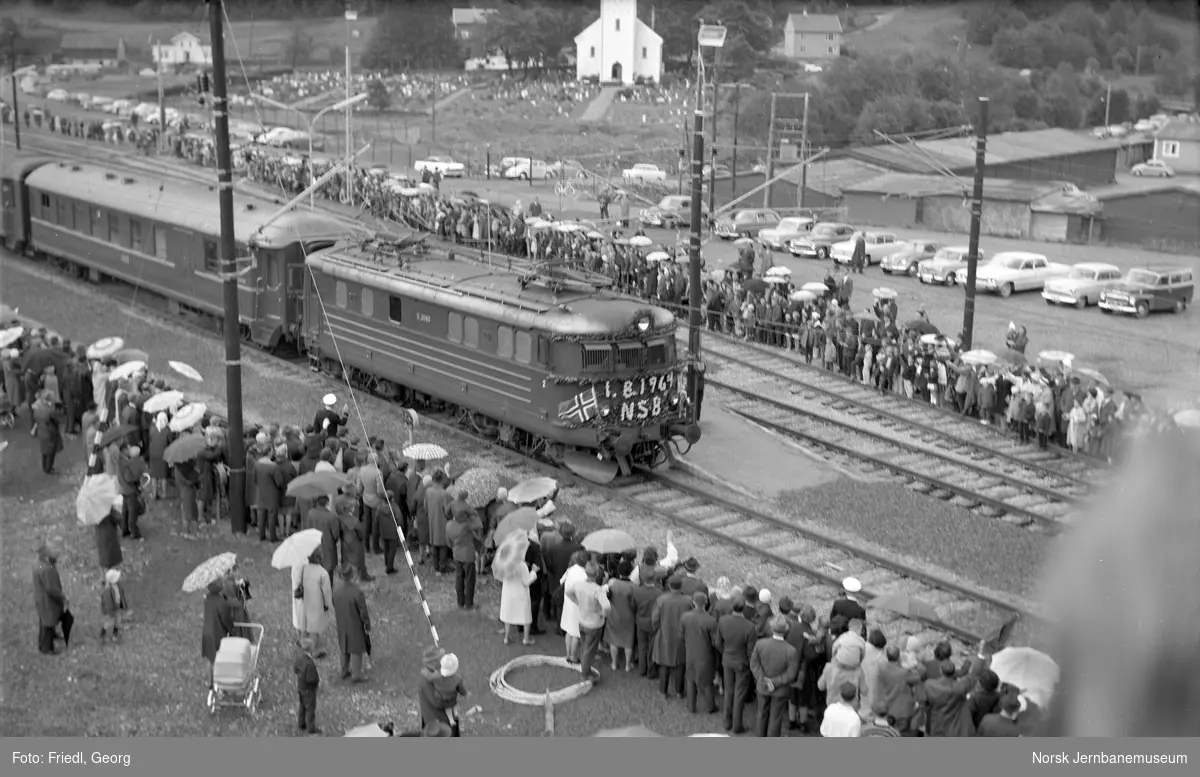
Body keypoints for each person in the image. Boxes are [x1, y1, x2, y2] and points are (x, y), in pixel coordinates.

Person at [750, 615, 800, 737]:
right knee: (775, 718)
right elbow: (791, 674)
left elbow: (754, 664)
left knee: (761, 714)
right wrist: (775, 682)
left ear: (772, 629)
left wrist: (763, 680)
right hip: (780, 690)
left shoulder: (760, 644)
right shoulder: (791, 650)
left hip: (762, 686)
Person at [715, 597, 757, 733]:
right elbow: (751, 651)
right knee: (740, 695)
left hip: (727, 659)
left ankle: (727, 720)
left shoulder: (723, 621)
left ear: (731, 607)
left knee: (729, 691)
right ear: (744, 608)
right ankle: (737, 725)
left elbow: (718, 642)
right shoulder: (749, 626)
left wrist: (725, 652)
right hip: (742, 663)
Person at [567, 561, 611, 684]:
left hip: (582, 621)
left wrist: (578, 602)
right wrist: (603, 614)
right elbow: (607, 606)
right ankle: (585, 673)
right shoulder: (598, 590)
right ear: (597, 574)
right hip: (594, 624)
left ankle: (584, 668)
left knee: (585, 646)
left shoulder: (578, 584)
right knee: (589, 650)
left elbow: (568, 592)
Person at [651, 576, 691, 699]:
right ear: (681, 586)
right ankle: (679, 691)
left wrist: (658, 629)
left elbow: (655, 619)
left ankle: (663, 692)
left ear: (669, 585)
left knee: (664, 664)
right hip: (682, 636)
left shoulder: (662, 599)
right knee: (680, 664)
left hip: (665, 634)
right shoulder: (688, 600)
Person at [680, 591, 718, 715]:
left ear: (693, 602)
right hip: (706, 655)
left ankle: (691, 706)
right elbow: (715, 642)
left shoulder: (685, 617)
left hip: (690, 652)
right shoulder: (711, 620)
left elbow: (680, 635)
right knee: (707, 682)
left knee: (690, 679)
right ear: (706, 603)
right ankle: (710, 706)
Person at [331, 565, 371, 683]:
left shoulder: (336, 591)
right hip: (354, 623)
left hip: (341, 622)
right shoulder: (357, 592)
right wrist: (367, 623)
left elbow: (334, 603)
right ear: (352, 575)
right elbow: (363, 611)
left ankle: (343, 671)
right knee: (356, 649)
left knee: (344, 647)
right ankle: (356, 674)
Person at [445, 489, 483, 609]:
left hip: (456, 554)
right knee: (469, 579)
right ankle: (469, 603)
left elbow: (448, 542)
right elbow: (478, 528)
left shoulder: (449, 525)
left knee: (459, 578)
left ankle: (460, 602)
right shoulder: (467, 526)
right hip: (468, 555)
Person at [292, 549, 332, 658]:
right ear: (320, 558)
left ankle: (303, 643)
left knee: (305, 625)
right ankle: (313, 651)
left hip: (305, 602)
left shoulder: (304, 569)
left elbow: (299, 582)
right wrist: (327, 603)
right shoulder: (323, 573)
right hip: (317, 603)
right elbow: (326, 591)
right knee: (314, 628)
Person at [33, 544, 67, 655]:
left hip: (41, 598)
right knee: (48, 623)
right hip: (48, 601)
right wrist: (63, 597)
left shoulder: (37, 564)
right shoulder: (47, 569)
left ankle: (51, 636)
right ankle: (46, 648)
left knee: (45, 620)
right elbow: (52, 589)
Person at [603, 559, 636, 672]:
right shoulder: (633, 586)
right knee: (628, 641)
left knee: (614, 639)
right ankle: (627, 665)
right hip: (629, 616)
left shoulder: (612, 583)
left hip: (614, 614)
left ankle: (614, 664)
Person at [201, 579, 234, 687]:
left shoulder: (207, 599)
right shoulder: (221, 602)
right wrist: (231, 629)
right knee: (219, 657)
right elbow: (225, 618)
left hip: (206, 632)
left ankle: (209, 682)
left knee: (210, 658)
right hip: (217, 632)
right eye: (220, 582)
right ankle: (221, 680)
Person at [431, 653, 469, 728]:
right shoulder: (457, 679)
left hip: (441, 697)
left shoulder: (436, 677)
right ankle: (455, 713)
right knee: (454, 704)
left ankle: (451, 720)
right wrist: (465, 694)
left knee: (447, 708)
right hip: (452, 696)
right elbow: (462, 690)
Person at [294, 637, 322, 735]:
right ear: (310, 649)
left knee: (302, 706)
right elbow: (311, 679)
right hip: (309, 690)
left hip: (300, 687)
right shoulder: (310, 664)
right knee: (310, 709)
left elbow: (295, 669)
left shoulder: (299, 658)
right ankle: (311, 728)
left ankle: (301, 724)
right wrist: (316, 682)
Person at [99, 568, 126, 644]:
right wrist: (110, 612)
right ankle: (103, 634)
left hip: (117, 607)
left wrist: (122, 605)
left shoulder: (117, 586)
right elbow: (108, 602)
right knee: (108, 622)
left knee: (117, 621)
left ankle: (115, 635)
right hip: (112, 609)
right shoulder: (108, 590)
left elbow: (120, 596)